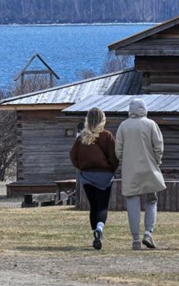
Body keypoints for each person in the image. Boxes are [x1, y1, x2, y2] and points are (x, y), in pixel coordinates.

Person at [115, 98, 166, 250]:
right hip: (149, 167)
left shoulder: (123, 126)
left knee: (132, 203)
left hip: (130, 170)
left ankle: (135, 239)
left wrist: (126, 161)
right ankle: (148, 233)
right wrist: (157, 161)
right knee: (151, 201)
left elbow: (118, 150)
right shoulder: (151, 124)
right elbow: (159, 146)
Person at [70, 107, 119, 250]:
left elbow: (73, 156)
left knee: (93, 207)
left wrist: (81, 167)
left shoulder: (81, 138)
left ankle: (94, 235)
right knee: (102, 206)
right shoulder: (107, 136)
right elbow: (114, 157)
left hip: (87, 176)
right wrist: (111, 168)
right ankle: (100, 228)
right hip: (104, 176)